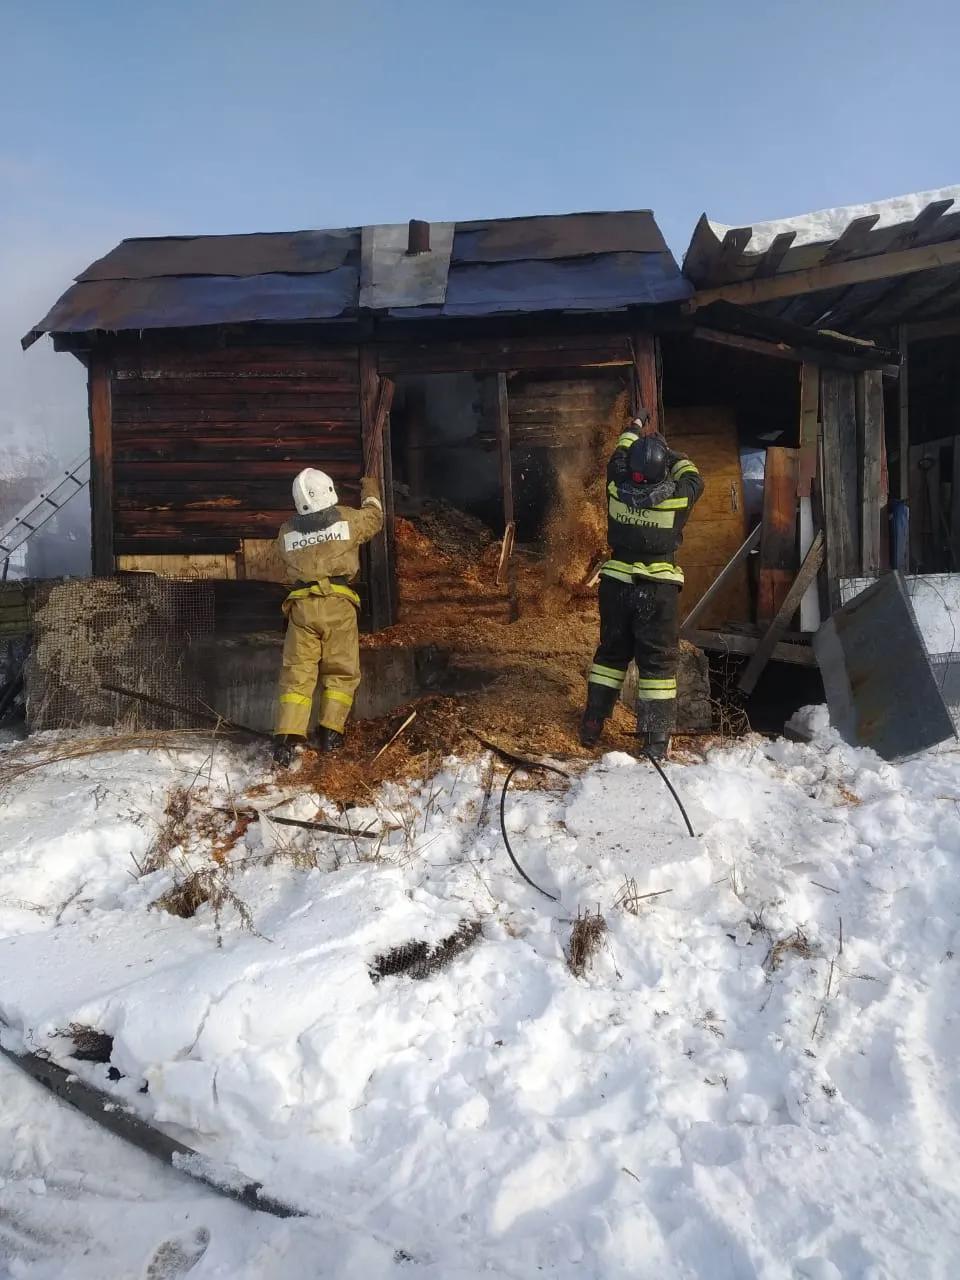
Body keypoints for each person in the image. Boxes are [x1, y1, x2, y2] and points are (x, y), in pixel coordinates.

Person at [580, 412, 704, 759]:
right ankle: (655, 742)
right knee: (658, 666)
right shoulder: (680, 496)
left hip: (616, 585)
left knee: (610, 656)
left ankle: (592, 724)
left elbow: (618, 453)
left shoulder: (616, 485)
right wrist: (666, 450)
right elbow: (692, 473)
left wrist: (635, 428)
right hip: (658, 589)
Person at [272, 468, 383, 767]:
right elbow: (375, 519)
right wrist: (371, 491)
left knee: (297, 673)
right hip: (338, 604)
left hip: (302, 607)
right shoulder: (347, 519)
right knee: (341, 670)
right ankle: (330, 732)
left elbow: (278, 554)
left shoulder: (286, 531)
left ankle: (287, 736)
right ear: (329, 490)